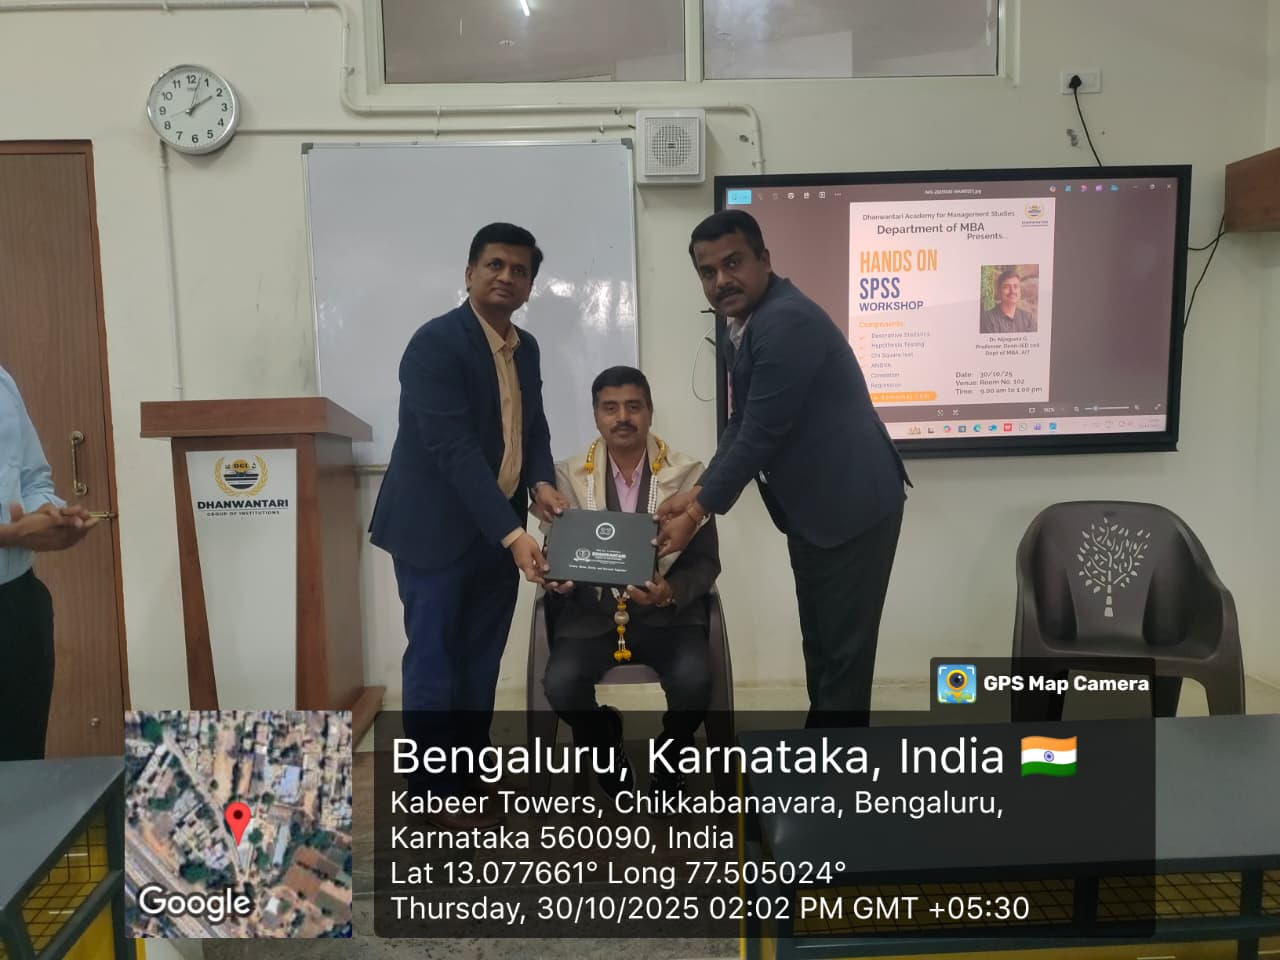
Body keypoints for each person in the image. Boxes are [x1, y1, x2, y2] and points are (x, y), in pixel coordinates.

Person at [655, 210, 909, 726]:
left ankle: (838, 769)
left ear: (764, 260)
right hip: (813, 511)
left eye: (733, 263)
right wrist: (699, 489)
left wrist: (697, 513)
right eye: (707, 271)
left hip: (853, 507)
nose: (721, 280)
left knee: (843, 658)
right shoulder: (740, 321)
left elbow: (760, 435)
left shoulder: (784, 322)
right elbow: (742, 420)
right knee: (822, 645)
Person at [369, 223, 569, 828]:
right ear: (469, 273)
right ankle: (430, 794)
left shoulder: (526, 349)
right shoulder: (435, 344)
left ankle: (468, 776)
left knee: (481, 659)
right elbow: (452, 450)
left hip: (497, 528)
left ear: (530, 285)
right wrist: (514, 535)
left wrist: (540, 481)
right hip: (433, 531)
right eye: (495, 265)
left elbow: (532, 427)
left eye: (519, 270)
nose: (507, 277)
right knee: (435, 659)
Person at [540, 367, 719, 805]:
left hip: (666, 617)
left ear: (650, 413)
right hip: (591, 617)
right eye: (610, 408)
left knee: (696, 682)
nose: (623, 417)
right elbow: (555, 558)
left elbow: (705, 562)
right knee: (560, 684)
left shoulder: (688, 475)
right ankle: (604, 740)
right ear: (596, 415)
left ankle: (670, 756)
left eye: (633, 407)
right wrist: (557, 580)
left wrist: (670, 593)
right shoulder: (567, 478)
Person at [0, 364, 99, 762]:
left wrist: (51, 517)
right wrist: (7, 535)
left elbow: (33, 480)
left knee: (21, 773)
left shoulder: (2, 381)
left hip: (17, 606)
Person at [980, 267, 1037, 333]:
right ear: (999, 291)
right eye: (1006, 287)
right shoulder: (988, 319)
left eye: (1015, 287)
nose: (1012, 291)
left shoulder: (1028, 319)